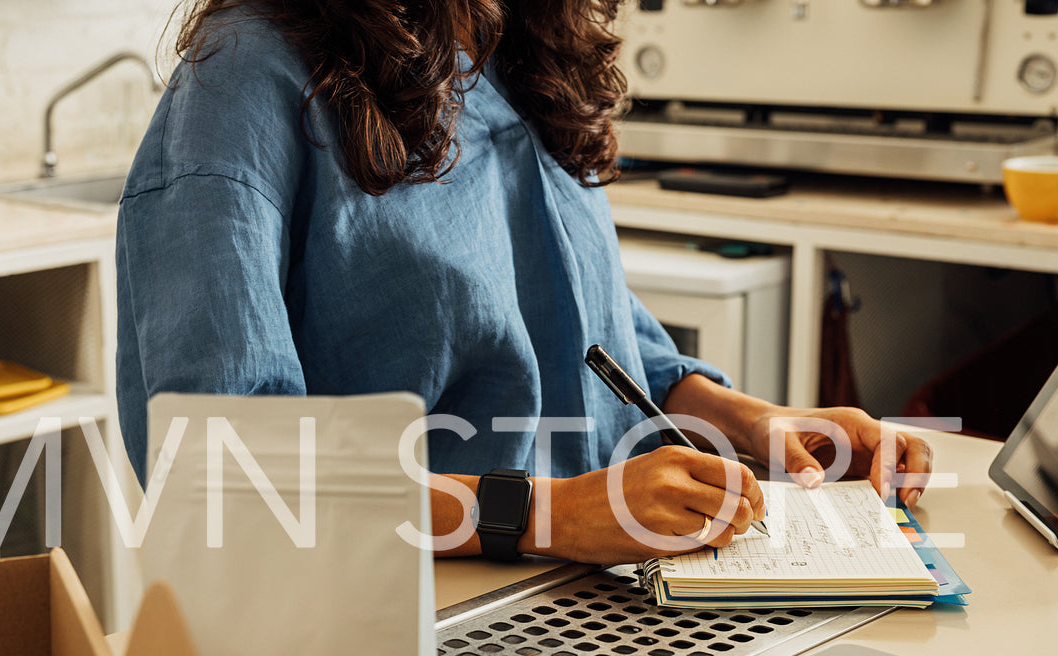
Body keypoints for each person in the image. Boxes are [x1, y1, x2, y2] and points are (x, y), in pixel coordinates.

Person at [114, 0, 932, 564]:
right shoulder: (244, 78)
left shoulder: (520, 43)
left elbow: (591, 334)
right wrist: (555, 515)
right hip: (408, 619)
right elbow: (226, 471)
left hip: (597, 595)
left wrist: (750, 421)